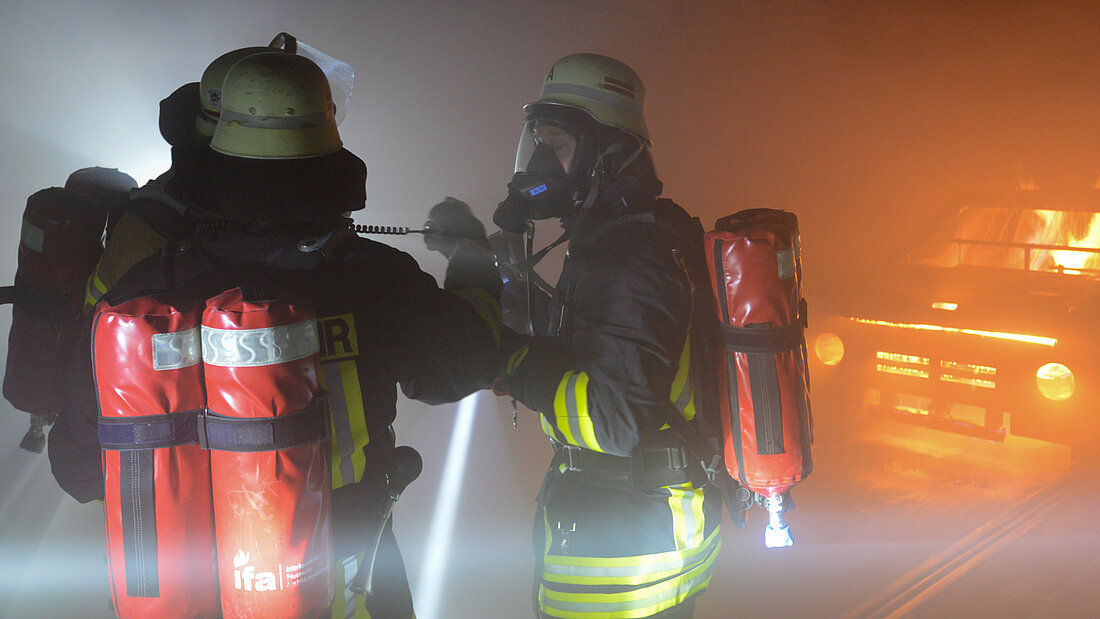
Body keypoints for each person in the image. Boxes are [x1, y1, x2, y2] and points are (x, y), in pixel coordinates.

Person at [49, 51, 507, 619]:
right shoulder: (372, 279)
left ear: (214, 160)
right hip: (347, 595)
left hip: (185, 602)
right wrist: (473, 257)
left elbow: (78, 469)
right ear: (331, 160)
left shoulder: (141, 295)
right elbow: (472, 360)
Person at [428, 53, 723, 618]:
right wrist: (479, 257)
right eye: (538, 143)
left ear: (607, 154)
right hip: (630, 531)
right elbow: (582, 342)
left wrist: (512, 362)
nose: (542, 162)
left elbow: (611, 420)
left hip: (626, 564)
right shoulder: (620, 239)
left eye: (558, 145)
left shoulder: (630, 256)